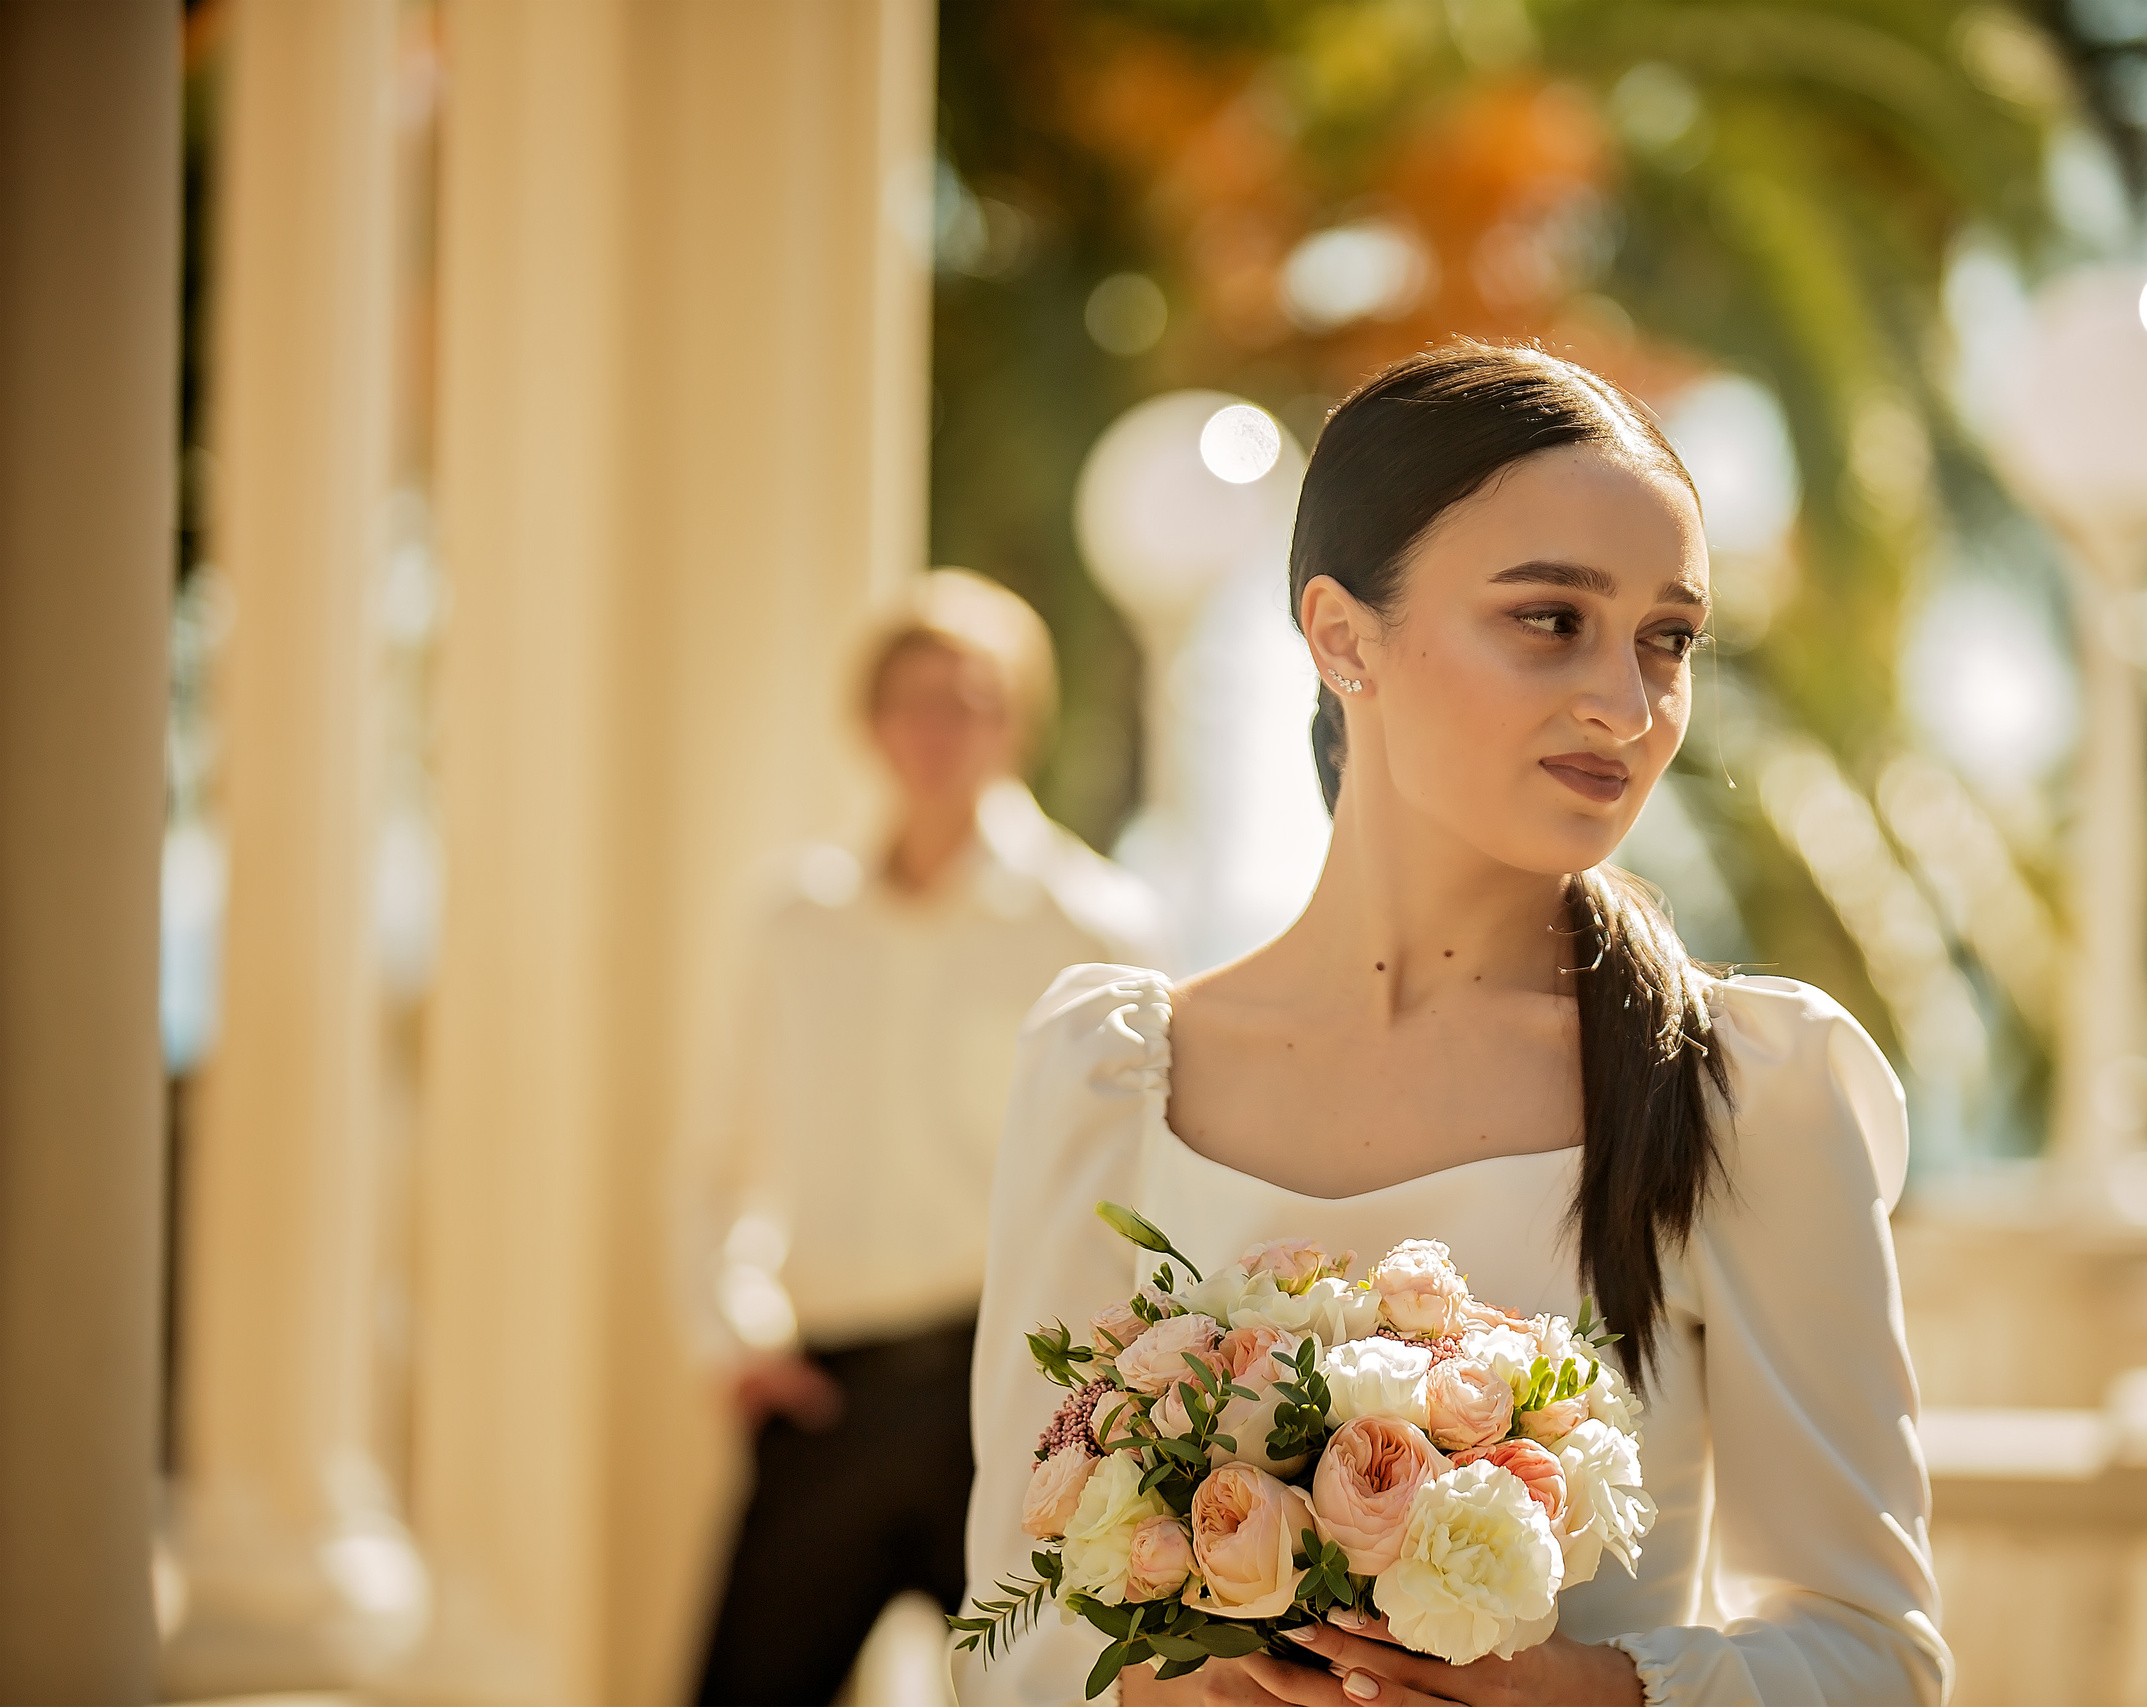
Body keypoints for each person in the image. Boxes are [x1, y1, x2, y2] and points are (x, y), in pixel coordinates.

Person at [961, 345, 1948, 1706]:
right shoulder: (1113, 1078)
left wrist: (1591, 1688)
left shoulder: (1742, 1091)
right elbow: (1003, 1636)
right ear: (1341, 633)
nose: (1630, 701)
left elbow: (1874, 1654)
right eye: (1553, 618)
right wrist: (1176, 1690)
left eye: (1668, 638)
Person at [686, 569, 1163, 1707]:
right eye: (914, 697)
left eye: (973, 697)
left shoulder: (1094, 925)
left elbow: (1143, 1179)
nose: (941, 728)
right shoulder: (788, 923)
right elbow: (712, 1160)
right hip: (825, 1396)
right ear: (869, 722)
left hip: (1010, 1405)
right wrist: (734, 1336)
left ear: (1018, 721)